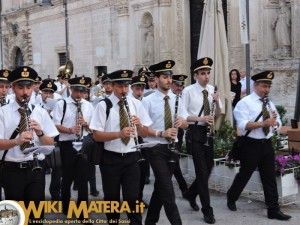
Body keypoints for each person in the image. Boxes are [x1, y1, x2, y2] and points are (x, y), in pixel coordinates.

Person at [226, 71, 291, 221]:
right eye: (264, 86)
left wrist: (275, 124)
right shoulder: (245, 103)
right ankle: (232, 196)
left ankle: (273, 209)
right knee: (245, 174)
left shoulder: (269, 103)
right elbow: (242, 125)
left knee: (269, 177)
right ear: (255, 85)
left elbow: (278, 123)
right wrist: (264, 123)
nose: (267, 90)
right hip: (251, 145)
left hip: (266, 144)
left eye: (269, 87)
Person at [90, 70, 152, 225]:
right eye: (120, 86)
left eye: (126, 86)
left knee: (133, 199)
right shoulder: (103, 105)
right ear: (111, 85)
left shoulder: (136, 104)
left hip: (132, 157)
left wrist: (138, 125)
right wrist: (119, 134)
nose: (124, 90)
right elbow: (96, 135)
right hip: (110, 158)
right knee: (112, 200)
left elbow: (144, 133)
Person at [0, 66, 59, 223]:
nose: (25, 92)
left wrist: (40, 133)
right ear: (13, 88)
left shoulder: (40, 112)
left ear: (33, 87)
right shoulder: (3, 113)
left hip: (35, 170)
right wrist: (16, 141)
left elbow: (50, 144)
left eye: (28, 87)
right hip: (12, 171)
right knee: (16, 217)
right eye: (20, 87)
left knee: (36, 215)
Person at [142, 60, 189, 225]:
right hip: (155, 148)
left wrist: (180, 122)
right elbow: (142, 129)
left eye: (170, 77)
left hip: (173, 147)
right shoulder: (147, 101)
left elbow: (186, 123)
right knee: (168, 191)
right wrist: (161, 133)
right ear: (156, 78)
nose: (169, 80)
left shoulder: (176, 99)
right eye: (164, 77)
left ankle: (150, 221)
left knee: (161, 187)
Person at [181, 57, 222, 224]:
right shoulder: (188, 91)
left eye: (208, 73)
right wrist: (200, 118)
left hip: (208, 132)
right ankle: (207, 210)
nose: (206, 76)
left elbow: (218, 113)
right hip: (195, 132)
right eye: (203, 73)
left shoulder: (212, 90)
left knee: (209, 167)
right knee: (202, 172)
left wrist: (217, 102)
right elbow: (182, 116)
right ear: (195, 75)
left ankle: (190, 193)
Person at [52, 75, 94, 223]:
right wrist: (70, 130)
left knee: (83, 179)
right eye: (76, 91)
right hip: (67, 145)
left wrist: (86, 124)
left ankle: (83, 212)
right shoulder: (62, 104)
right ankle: (65, 205)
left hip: (83, 143)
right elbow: (55, 125)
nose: (79, 94)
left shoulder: (88, 105)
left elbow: (94, 128)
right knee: (67, 177)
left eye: (81, 91)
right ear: (71, 89)